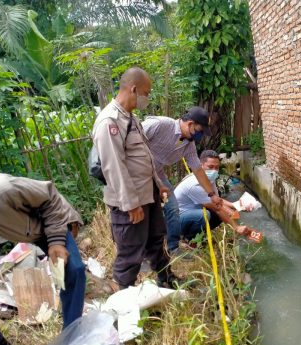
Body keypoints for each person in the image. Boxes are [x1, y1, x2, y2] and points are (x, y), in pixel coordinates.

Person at [92, 67, 179, 289]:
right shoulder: (110, 121)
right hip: (129, 201)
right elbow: (114, 167)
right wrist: (130, 204)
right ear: (133, 89)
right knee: (131, 250)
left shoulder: (131, 118)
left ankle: (166, 280)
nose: (147, 98)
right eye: (146, 93)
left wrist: (159, 186)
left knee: (156, 240)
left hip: (146, 194)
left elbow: (145, 158)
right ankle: (125, 302)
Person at [0, 173, 86, 345]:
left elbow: (49, 197)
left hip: (41, 224)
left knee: (73, 270)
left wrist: (56, 241)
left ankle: (71, 337)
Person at [141, 107, 224, 255]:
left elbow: (198, 170)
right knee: (143, 210)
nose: (200, 136)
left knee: (172, 206)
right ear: (190, 123)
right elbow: (131, 138)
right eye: (199, 131)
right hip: (137, 172)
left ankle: (172, 247)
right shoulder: (161, 124)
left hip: (157, 174)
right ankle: (142, 251)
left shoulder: (189, 145)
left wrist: (212, 194)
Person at [174, 150, 251, 241]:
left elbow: (217, 200)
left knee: (219, 214)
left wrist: (237, 205)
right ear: (201, 165)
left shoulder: (209, 179)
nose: (214, 171)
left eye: (217, 167)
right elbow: (217, 208)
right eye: (210, 167)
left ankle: (201, 235)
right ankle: (189, 239)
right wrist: (236, 227)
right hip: (176, 221)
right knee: (204, 215)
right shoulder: (195, 184)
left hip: (190, 213)